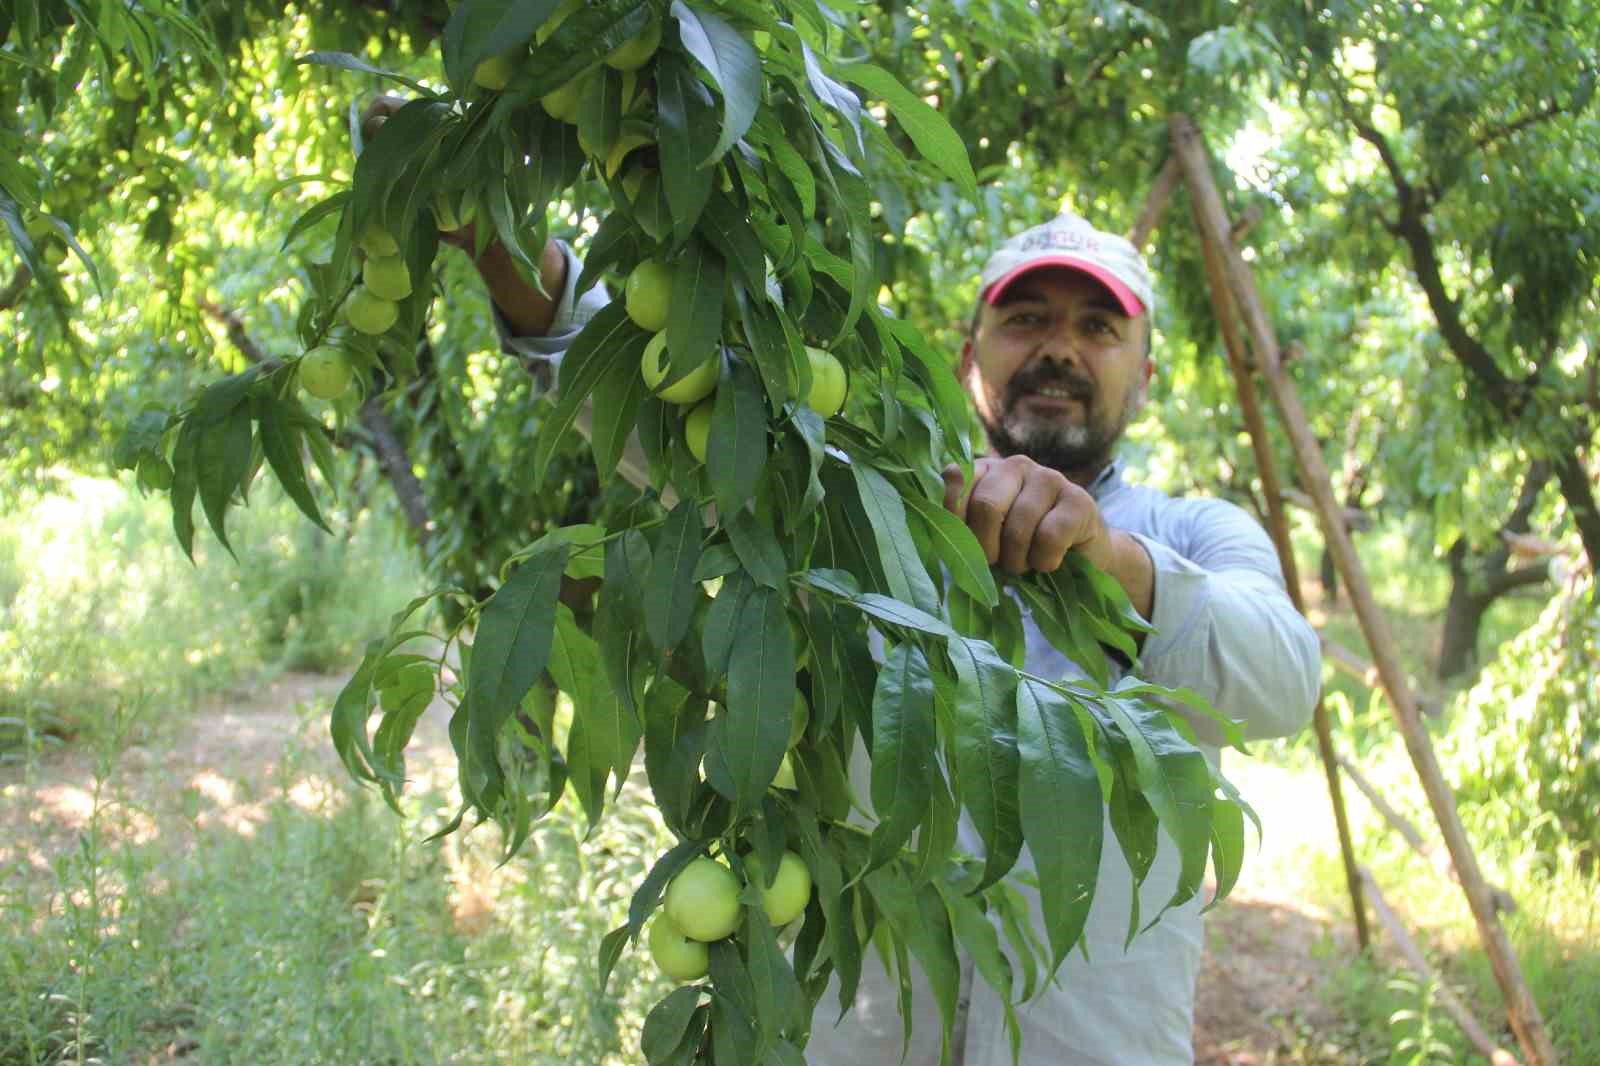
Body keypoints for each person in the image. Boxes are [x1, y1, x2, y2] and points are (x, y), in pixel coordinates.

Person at [361, 99, 1319, 1064]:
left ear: (1145, 371)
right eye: (1024, 318)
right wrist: (495, 238)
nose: (1059, 348)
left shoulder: (1194, 534)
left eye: (1099, 328)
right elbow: (664, 397)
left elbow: (1284, 676)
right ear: (968, 353)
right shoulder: (874, 500)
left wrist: (1112, 559)